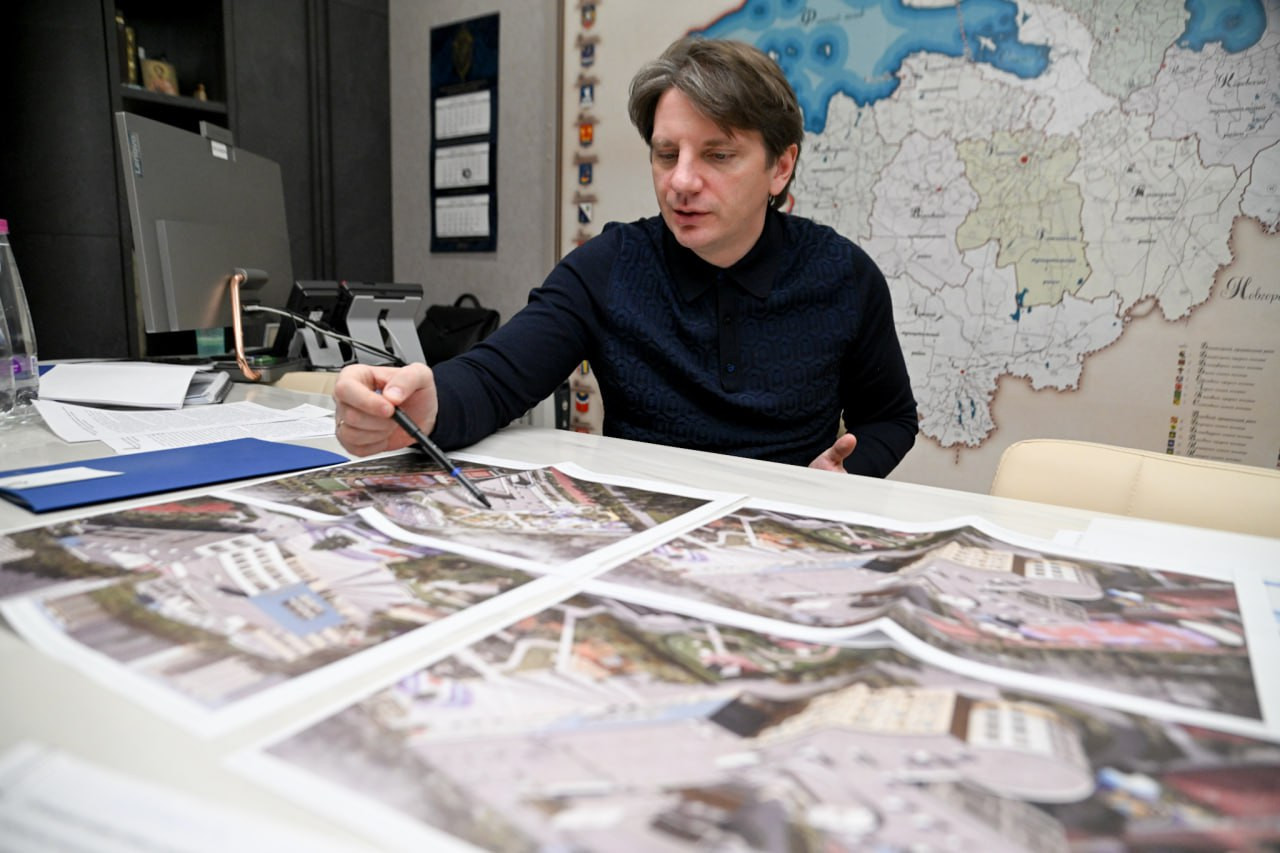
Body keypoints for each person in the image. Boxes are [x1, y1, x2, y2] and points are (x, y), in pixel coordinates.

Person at [334, 36, 918, 477]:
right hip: (642, 532)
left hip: (784, 531)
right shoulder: (610, 265)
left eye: (717, 155)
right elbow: (495, 379)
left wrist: (845, 477)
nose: (681, 182)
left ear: (780, 167)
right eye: (666, 154)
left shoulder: (844, 276)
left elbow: (890, 418)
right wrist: (425, 405)